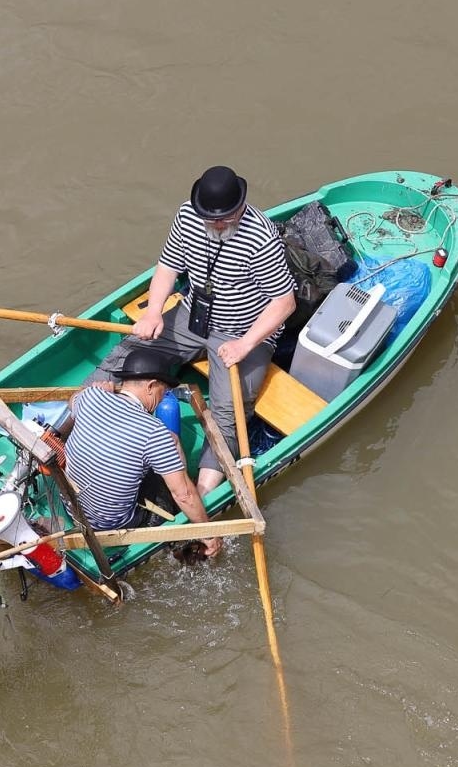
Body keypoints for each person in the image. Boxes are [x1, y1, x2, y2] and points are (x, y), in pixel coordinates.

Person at [87, 165, 297, 497]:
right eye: (210, 217)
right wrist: (154, 312)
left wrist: (244, 345)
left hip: (244, 330)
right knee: (126, 354)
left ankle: (199, 493)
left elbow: (284, 303)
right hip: (193, 315)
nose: (216, 224)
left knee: (228, 414)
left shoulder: (261, 236)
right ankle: (64, 428)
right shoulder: (187, 216)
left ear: (240, 207)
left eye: (225, 218)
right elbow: (168, 265)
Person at [65, 347, 221, 557]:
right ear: (151, 386)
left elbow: (72, 400)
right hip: (111, 525)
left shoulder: (91, 396)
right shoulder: (154, 432)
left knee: (165, 445)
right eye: (163, 391)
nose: (163, 397)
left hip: (73, 508)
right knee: (179, 485)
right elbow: (182, 494)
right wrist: (208, 533)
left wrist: (97, 389)